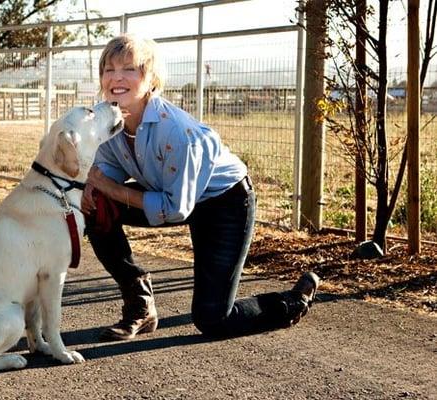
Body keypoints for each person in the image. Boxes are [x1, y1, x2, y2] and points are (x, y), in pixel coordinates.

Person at [82, 34, 320, 341]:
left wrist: (103, 185)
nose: (116, 77)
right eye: (108, 69)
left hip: (224, 202)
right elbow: (107, 170)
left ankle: (292, 302)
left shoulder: (178, 132)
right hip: (173, 194)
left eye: (129, 69)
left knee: (214, 319)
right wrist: (93, 187)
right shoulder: (109, 121)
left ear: (151, 79)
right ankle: (140, 306)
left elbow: (174, 208)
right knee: (96, 206)